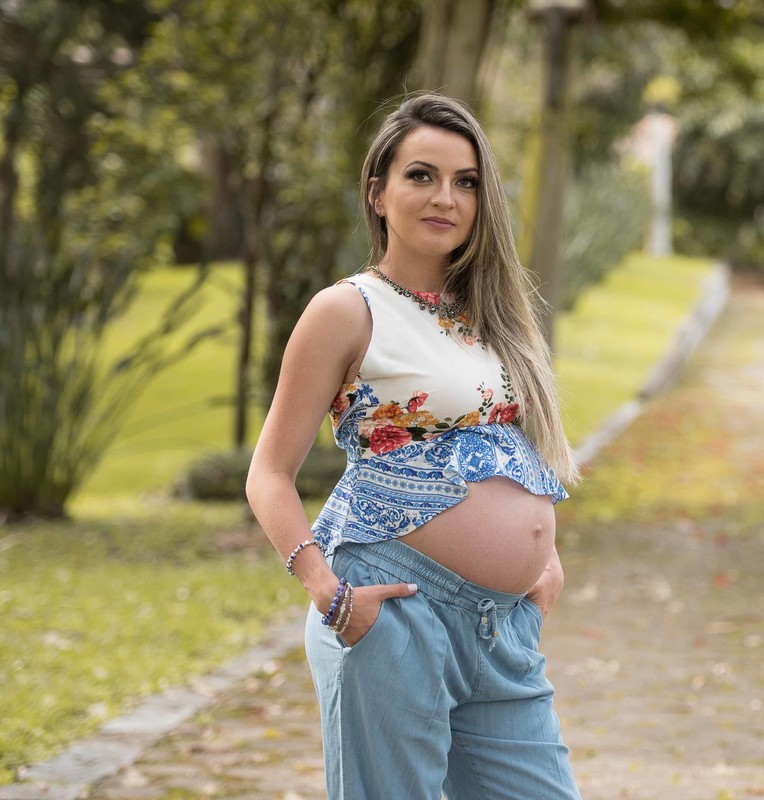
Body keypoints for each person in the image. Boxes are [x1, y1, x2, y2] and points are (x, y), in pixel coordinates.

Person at [246, 92, 582, 800]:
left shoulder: (488, 314)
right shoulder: (347, 309)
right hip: (393, 604)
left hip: (500, 627)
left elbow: (508, 447)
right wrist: (327, 592)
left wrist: (541, 559)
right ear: (378, 193)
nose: (446, 198)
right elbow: (270, 472)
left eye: (466, 182)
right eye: (421, 175)